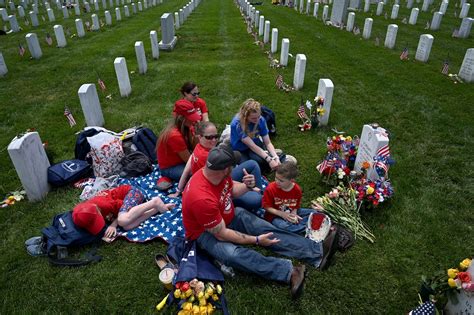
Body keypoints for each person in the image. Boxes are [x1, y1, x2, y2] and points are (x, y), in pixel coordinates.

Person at [181, 144, 339, 298]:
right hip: (205, 233)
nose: (235, 167)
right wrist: (256, 240)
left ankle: (317, 252)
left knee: (263, 227)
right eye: (232, 165)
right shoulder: (201, 198)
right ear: (224, 169)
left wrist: (247, 186)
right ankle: (290, 272)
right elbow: (221, 234)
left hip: (227, 214)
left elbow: (231, 190)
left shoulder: (214, 173)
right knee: (233, 255)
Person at [170, 121, 263, 212]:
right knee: (257, 199)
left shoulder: (199, 147)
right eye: (209, 137)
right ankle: (259, 194)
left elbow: (186, 169)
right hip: (218, 190)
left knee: (252, 163)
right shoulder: (208, 157)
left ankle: (258, 192)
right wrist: (248, 187)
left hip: (221, 181)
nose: (214, 140)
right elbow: (225, 182)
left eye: (216, 136)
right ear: (200, 137)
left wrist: (178, 190)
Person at [72, 185, 175, 239]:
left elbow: (124, 207)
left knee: (122, 220)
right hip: (128, 206)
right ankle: (155, 209)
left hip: (133, 193)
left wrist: (113, 224)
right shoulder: (89, 207)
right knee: (127, 226)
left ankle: (154, 202)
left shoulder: (105, 205)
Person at [156, 101, 200, 190]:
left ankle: (170, 179)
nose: (194, 120)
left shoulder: (188, 126)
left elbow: (195, 148)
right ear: (182, 118)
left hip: (182, 161)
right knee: (198, 174)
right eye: (191, 118)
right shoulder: (174, 135)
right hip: (170, 167)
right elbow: (190, 161)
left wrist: (195, 136)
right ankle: (166, 177)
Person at [262, 162, 317, 234]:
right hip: (275, 215)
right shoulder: (270, 189)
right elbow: (266, 207)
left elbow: (296, 206)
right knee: (284, 226)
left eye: (281, 181)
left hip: (290, 211)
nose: (277, 182)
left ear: (292, 180)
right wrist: (282, 214)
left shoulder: (297, 190)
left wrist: (294, 213)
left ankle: (303, 225)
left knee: (314, 213)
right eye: (276, 178)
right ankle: (308, 228)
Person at [230, 99, 281, 171]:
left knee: (260, 160)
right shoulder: (237, 124)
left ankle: (277, 155)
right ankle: (270, 154)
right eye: (253, 118)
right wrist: (269, 160)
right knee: (248, 166)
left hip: (255, 143)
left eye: (258, 116)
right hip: (240, 148)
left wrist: (275, 157)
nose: (257, 120)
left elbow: (268, 142)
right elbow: (251, 146)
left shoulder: (261, 120)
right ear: (246, 117)